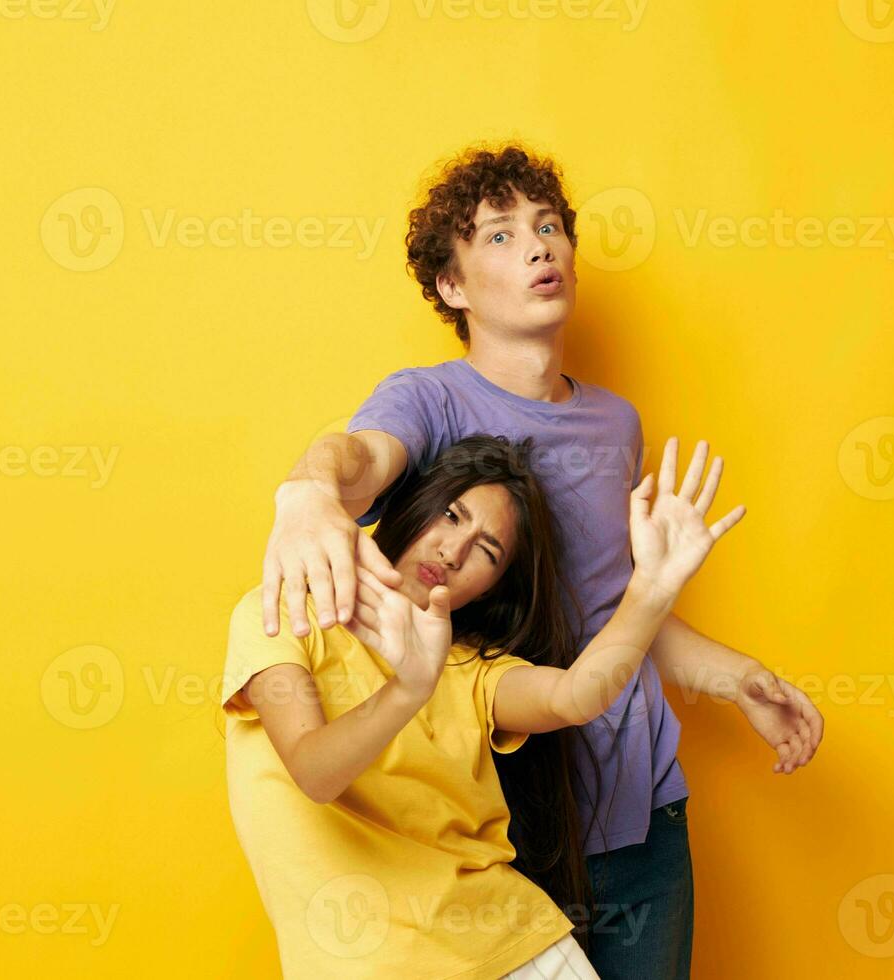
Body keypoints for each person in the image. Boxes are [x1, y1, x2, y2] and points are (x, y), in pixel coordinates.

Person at [259, 142, 823, 976]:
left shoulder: (615, 426)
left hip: (643, 819)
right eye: (498, 236)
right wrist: (307, 492)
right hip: (496, 835)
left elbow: (621, 612)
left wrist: (739, 678)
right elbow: (358, 460)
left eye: (549, 226)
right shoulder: (430, 400)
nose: (537, 247)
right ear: (451, 286)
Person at [223, 433, 744, 978]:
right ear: (415, 506)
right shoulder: (288, 609)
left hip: (518, 951)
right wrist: (408, 688)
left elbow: (575, 696)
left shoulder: (471, 670)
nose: (452, 552)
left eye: (487, 550)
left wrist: (652, 590)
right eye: (451, 515)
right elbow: (314, 772)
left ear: (492, 589)